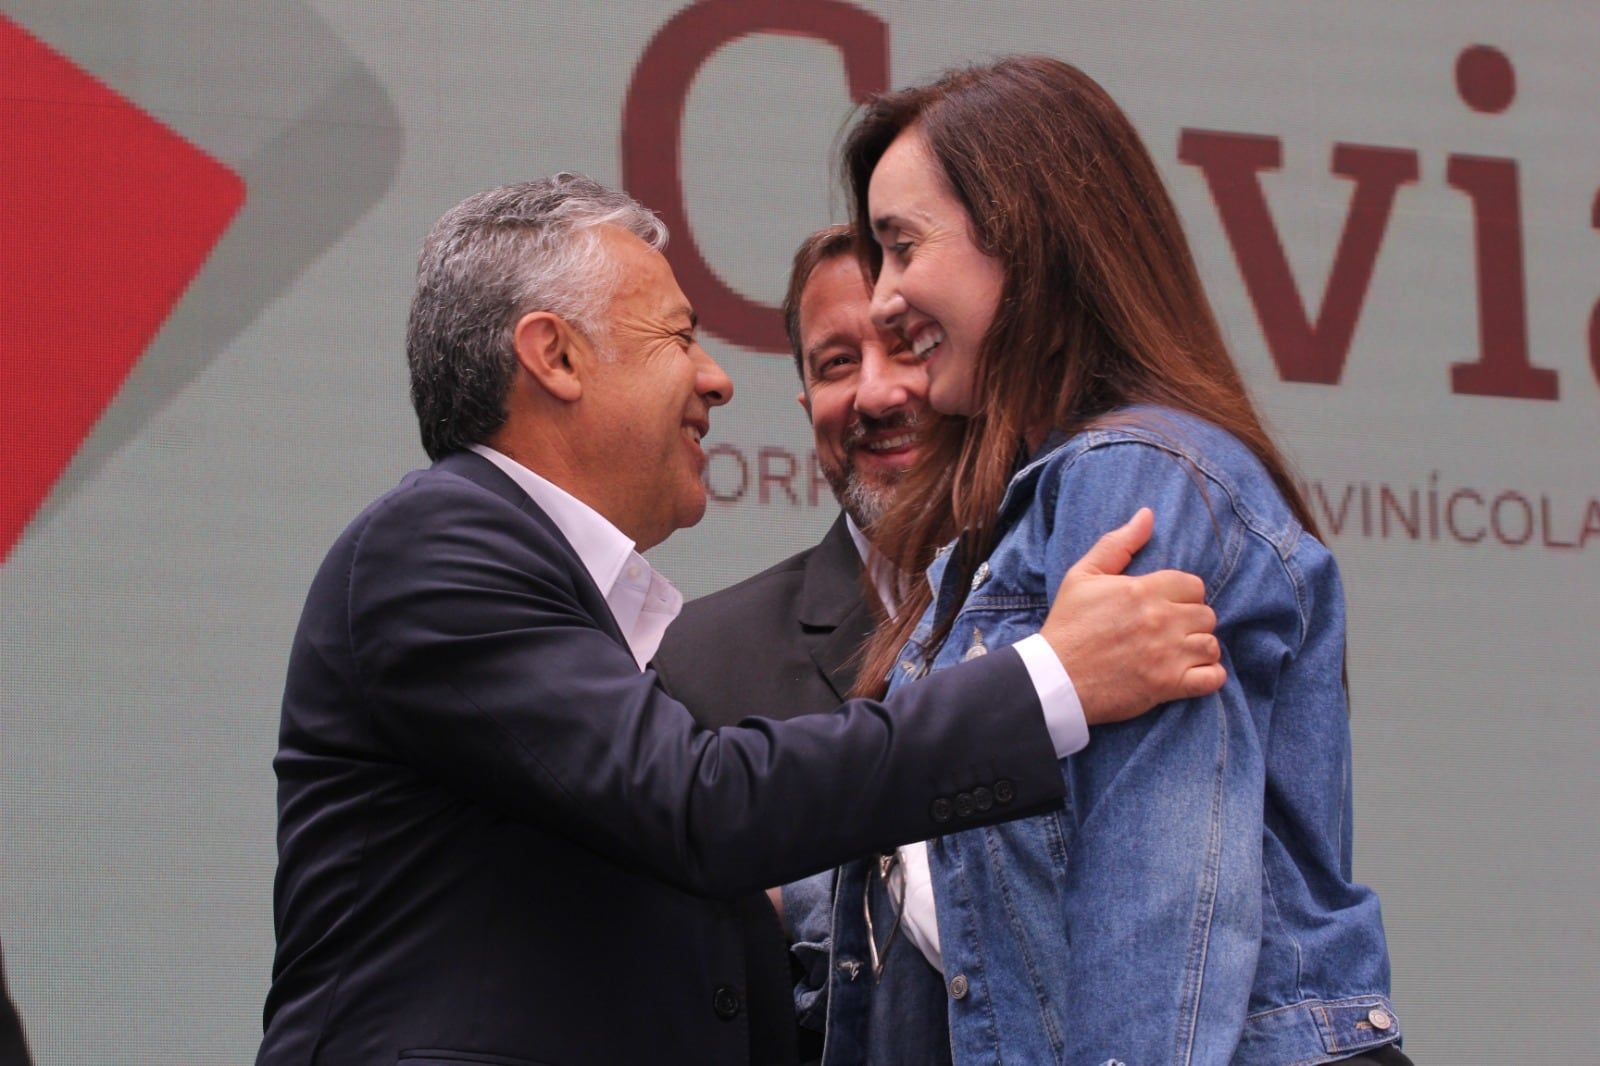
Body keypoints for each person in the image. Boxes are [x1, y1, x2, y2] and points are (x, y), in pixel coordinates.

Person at [256, 174, 1227, 1065]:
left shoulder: (552, 601)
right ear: (555, 356)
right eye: (678, 337)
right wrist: (1050, 680)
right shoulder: (438, 543)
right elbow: (703, 805)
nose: (717, 379)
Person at [796, 57, 1407, 1065]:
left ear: (1024, 234)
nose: (887, 297)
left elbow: (1158, 900)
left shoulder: (1131, 476)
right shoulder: (1018, 514)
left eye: (902, 248)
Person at [654, 224, 948, 1061]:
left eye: (908, 347)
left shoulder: (1098, 614)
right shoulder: (694, 666)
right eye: (837, 364)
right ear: (806, 404)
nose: (875, 395)